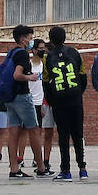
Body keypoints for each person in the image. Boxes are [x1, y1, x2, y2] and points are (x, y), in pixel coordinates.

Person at [42, 26, 88, 181]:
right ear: (65, 38)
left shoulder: (47, 57)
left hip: (59, 102)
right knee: (78, 134)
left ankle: (66, 170)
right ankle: (82, 169)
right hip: (75, 99)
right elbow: (83, 76)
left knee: (63, 135)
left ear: (51, 40)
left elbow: (46, 82)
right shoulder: (75, 53)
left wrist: (52, 100)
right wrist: (78, 93)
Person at [5, 25, 43, 179]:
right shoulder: (22, 54)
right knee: (33, 129)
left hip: (10, 97)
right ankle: (41, 166)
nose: (31, 41)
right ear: (23, 39)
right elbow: (17, 75)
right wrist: (30, 77)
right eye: (30, 37)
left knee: (13, 131)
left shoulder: (12, 52)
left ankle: (14, 168)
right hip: (22, 95)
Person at [30, 39, 55, 175]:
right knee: (36, 132)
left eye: (44, 48)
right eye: (39, 48)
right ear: (33, 50)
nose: (42, 51)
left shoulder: (47, 64)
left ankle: (45, 160)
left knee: (49, 133)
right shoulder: (28, 65)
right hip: (34, 102)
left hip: (46, 101)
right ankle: (37, 159)